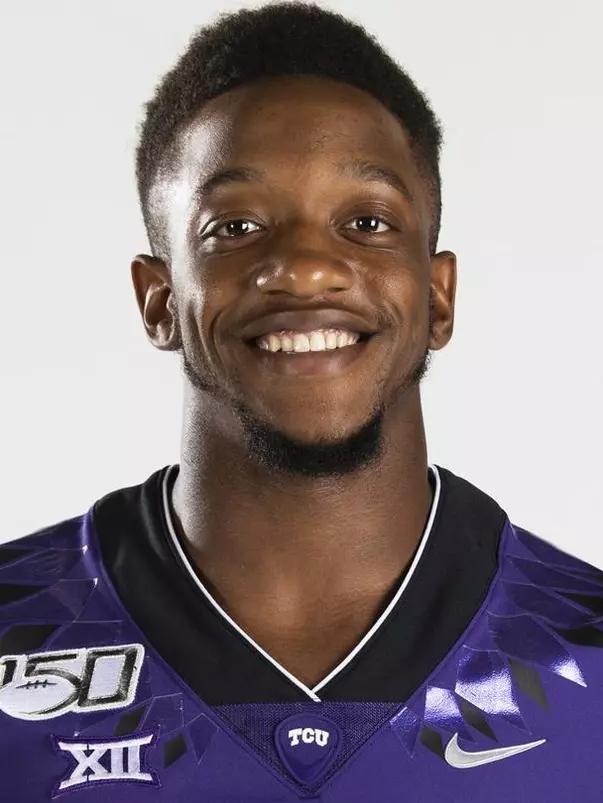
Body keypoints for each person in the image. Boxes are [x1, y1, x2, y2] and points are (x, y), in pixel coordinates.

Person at [1, 3, 602, 801]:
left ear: (438, 295)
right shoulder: (19, 628)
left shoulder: (584, 650)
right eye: (236, 225)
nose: (306, 267)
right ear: (158, 300)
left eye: (366, 220)